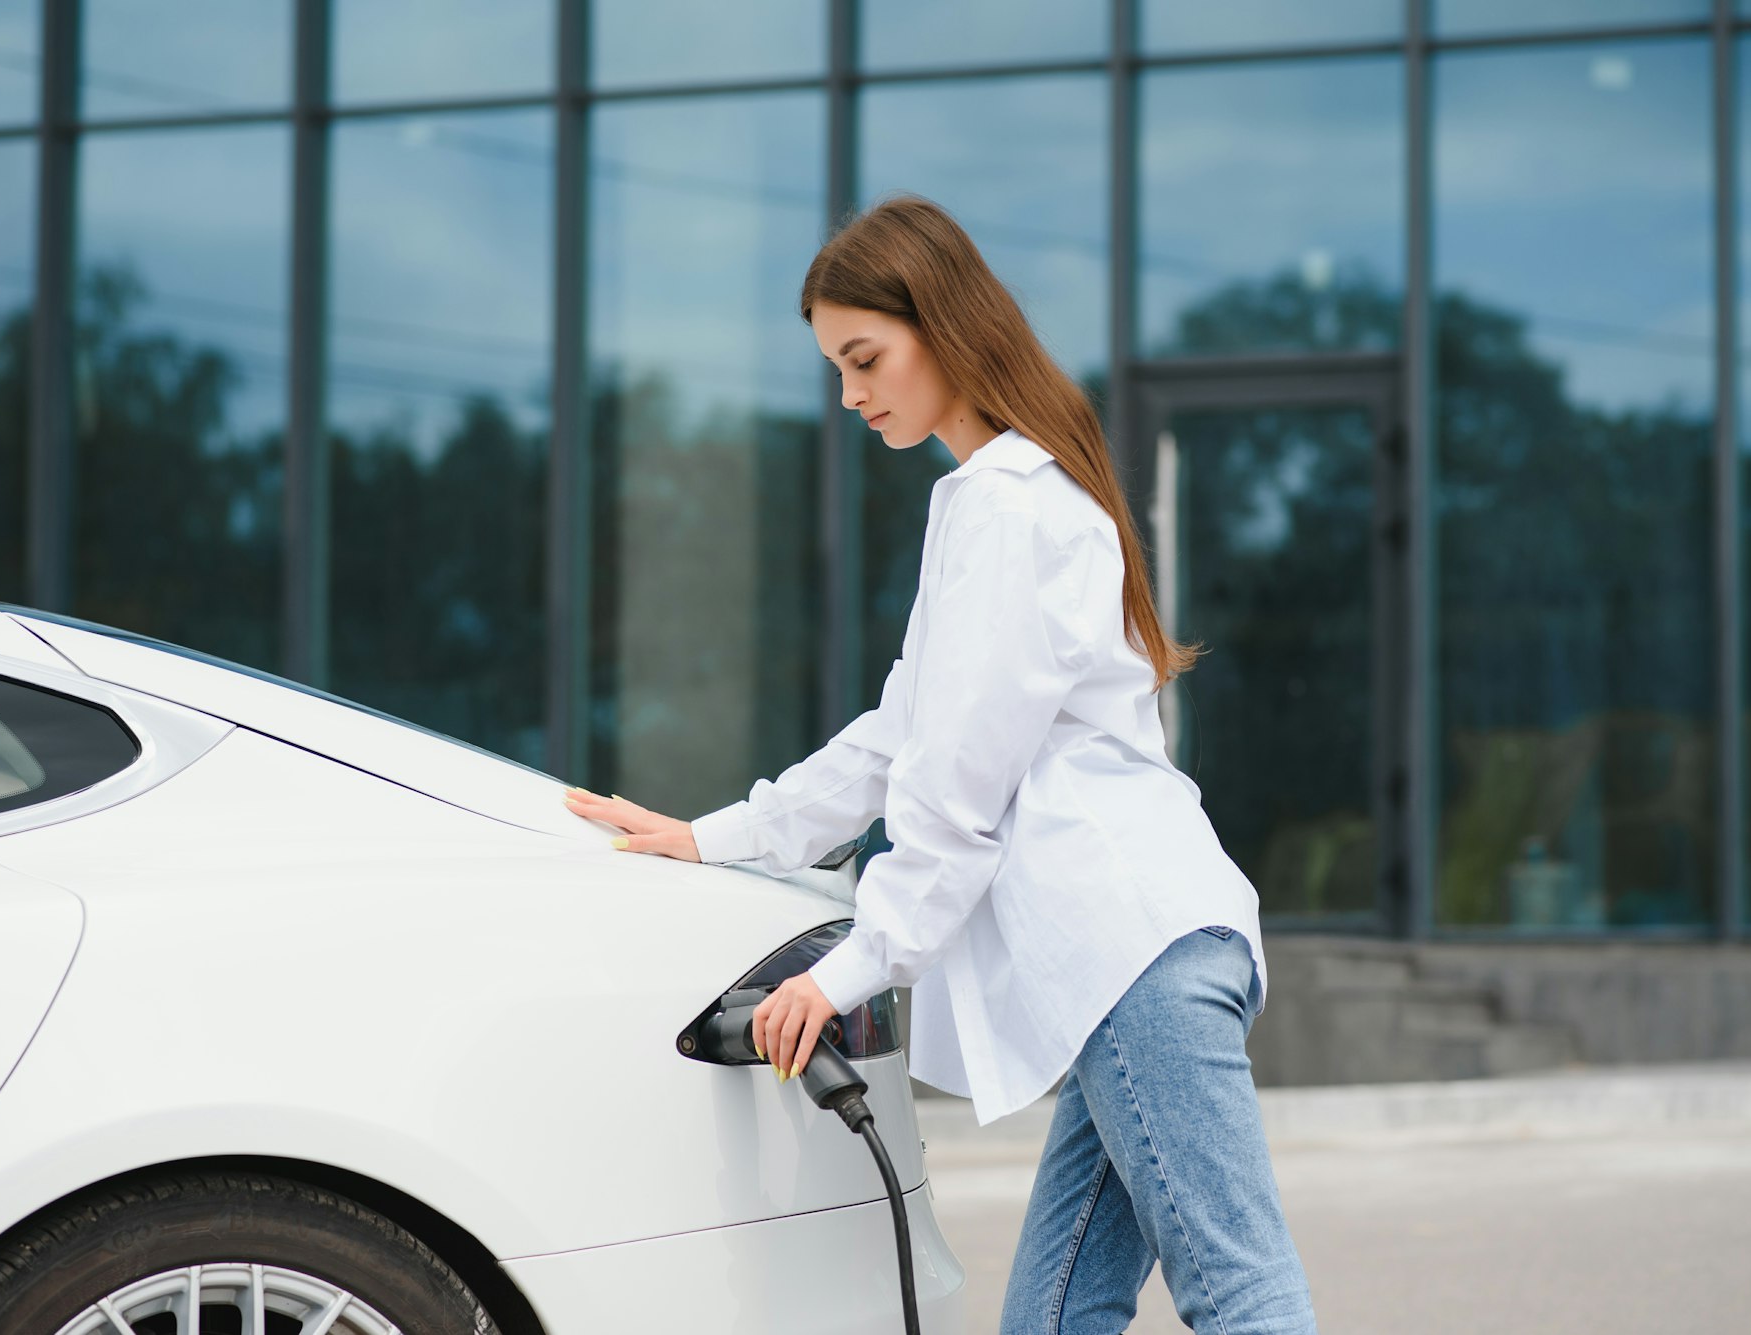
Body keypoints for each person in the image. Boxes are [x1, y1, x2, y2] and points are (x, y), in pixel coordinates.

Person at [562, 194, 1319, 1334]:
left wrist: (849, 970)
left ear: (943, 328)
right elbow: (899, 735)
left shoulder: (1012, 511)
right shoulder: (989, 503)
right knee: (1054, 1317)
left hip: (1131, 954)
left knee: (1237, 1289)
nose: (850, 393)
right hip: (1126, 963)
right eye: (835, 368)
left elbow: (955, 794)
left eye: (864, 357)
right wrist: (713, 837)